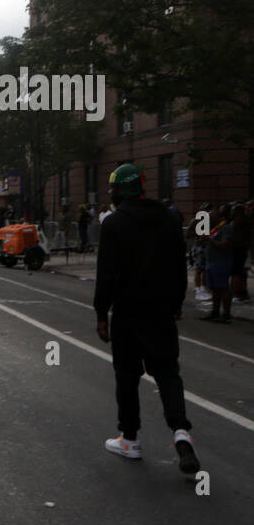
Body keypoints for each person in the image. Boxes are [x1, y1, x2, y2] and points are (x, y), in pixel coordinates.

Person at [94, 163, 198, 475]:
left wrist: (101, 313)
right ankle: (181, 432)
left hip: (128, 313)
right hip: (162, 312)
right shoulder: (169, 219)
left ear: (118, 189)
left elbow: (107, 275)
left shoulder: (114, 224)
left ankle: (130, 438)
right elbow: (180, 267)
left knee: (127, 377)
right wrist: (177, 301)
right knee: (168, 374)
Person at [200, 204, 234, 323]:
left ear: (217, 217)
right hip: (211, 261)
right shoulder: (215, 229)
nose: (208, 219)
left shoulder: (226, 228)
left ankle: (226, 314)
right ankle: (215, 312)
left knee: (223, 288)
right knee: (214, 289)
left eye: (210, 217)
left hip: (221, 262)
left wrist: (210, 239)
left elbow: (224, 244)